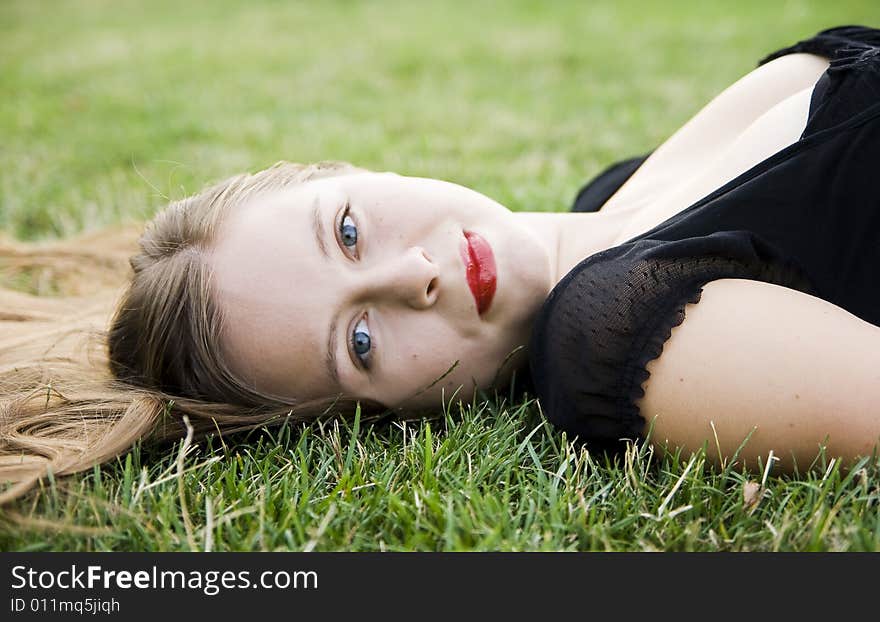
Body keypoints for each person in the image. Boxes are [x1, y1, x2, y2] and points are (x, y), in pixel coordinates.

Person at [2, 25, 879, 504]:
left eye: (347, 233)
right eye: (361, 341)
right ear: (383, 416)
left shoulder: (610, 201)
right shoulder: (614, 336)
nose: (411, 279)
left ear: (350, 171)